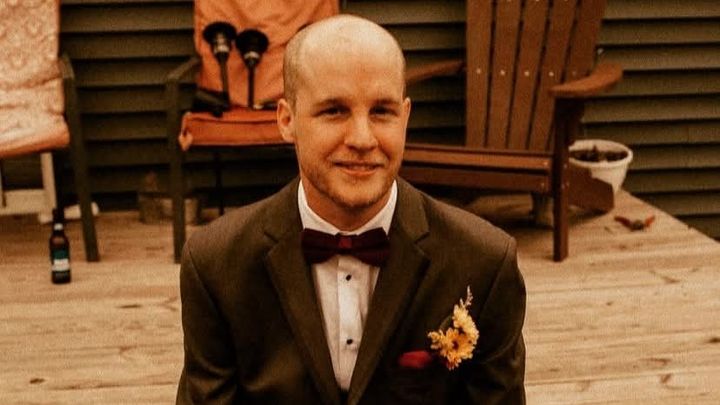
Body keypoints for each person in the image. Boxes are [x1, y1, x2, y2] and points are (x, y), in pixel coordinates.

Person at [176, 15, 526, 405]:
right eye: (334, 111)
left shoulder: (484, 262)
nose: (362, 138)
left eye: (382, 112)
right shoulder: (216, 264)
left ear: (405, 118)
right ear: (287, 120)